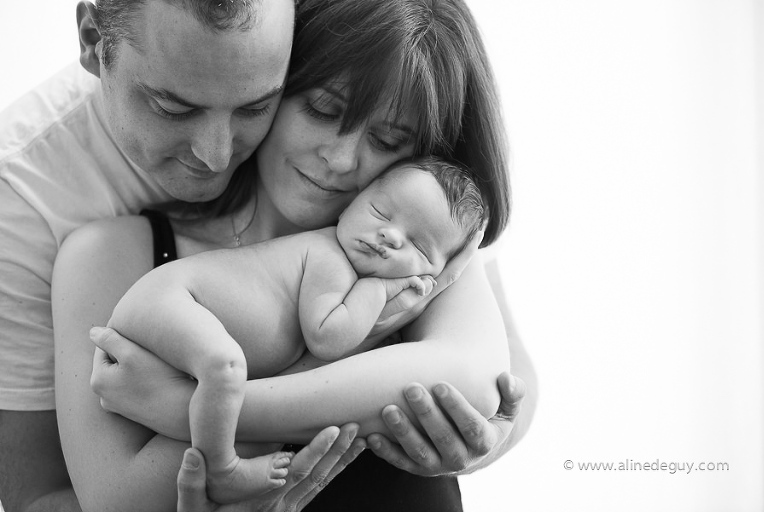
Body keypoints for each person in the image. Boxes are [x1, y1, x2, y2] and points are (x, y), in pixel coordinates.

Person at [52, 0, 536, 511]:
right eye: (323, 110)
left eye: (388, 140)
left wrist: (189, 410)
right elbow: (116, 500)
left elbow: (472, 387)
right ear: (271, 82)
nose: (341, 158)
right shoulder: (110, 255)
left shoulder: (411, 256)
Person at [0, 0, 369, 511]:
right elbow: (35, 497)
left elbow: (507, 390)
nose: (217, 155)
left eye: (256, 107)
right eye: (174, 109)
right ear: (91, 40)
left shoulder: (319, 45)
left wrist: (486, 427)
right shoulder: (18, 202)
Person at [106, 158, 486, 503]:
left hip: (165, 305)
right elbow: (328, 339)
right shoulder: (328, 256)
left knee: (222, 368)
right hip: (170, 299)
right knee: (224, 367)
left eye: (418, 245)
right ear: (353, 202)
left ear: (435, 275)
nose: (390, 235)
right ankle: (222, 469)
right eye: (380, 211)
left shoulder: (349, 270)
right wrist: (380, 290)